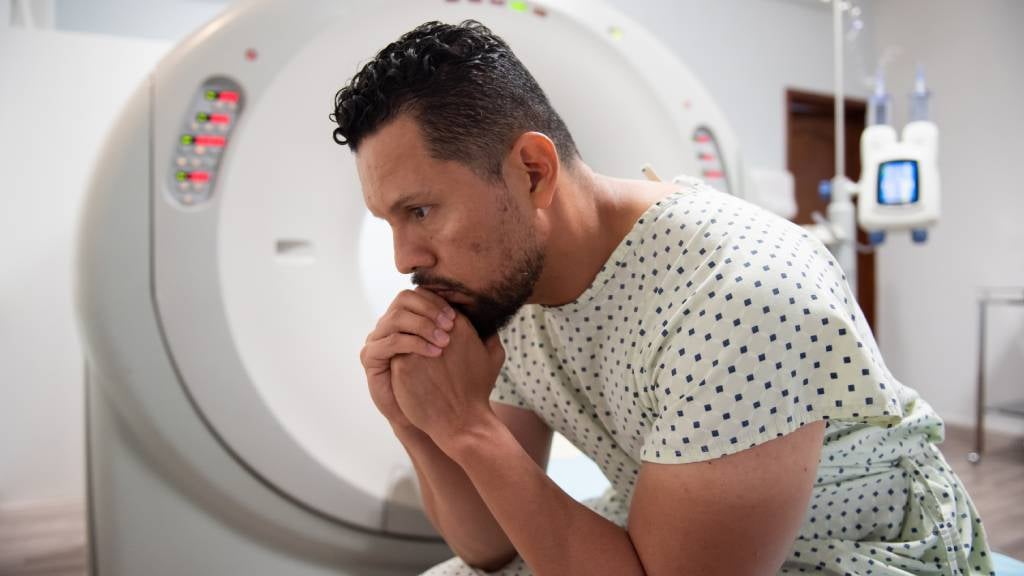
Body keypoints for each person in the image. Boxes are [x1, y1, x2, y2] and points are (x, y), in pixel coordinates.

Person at [330, 19, 993, 576]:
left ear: (532, 173)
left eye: (420, 211)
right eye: (391, 221)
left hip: (861, 551)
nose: (403, 259)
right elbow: (487, 547)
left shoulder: (737, 295)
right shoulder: (509, 291)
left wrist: (469, 428)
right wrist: (420, 423)